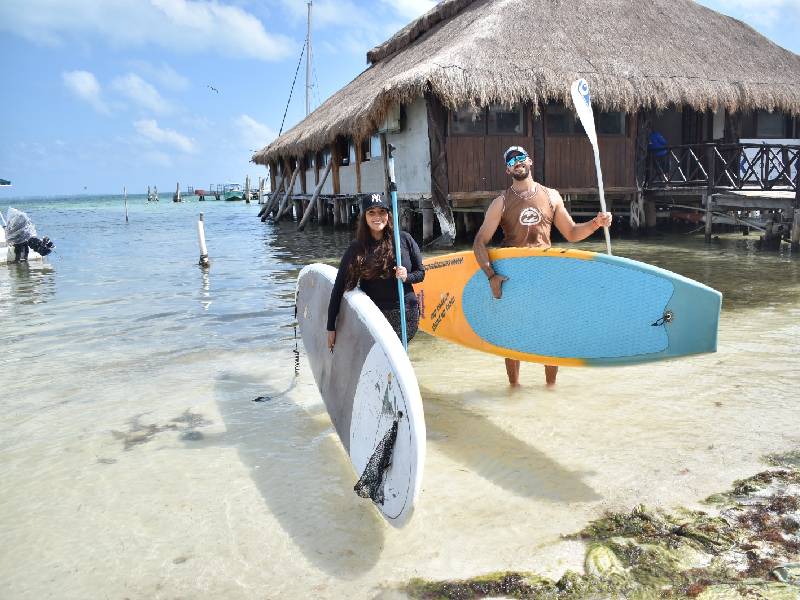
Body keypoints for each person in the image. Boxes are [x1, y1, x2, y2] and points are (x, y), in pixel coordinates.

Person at [472, 145, 612, 387]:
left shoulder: (551, 196)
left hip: (547, 274)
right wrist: (491, 275)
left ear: (530, 161)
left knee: (551, 333)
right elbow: (479, 242)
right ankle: (514, 388)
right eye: (511, 160)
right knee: (513, 336)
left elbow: (571, 233)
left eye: (520, 157)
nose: (517, 162)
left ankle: (550, 388)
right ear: (507, 169)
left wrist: (595, 223)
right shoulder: (501, 202)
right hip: (513, 277)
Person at [327, 193, 425, 350]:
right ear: (364, 216)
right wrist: (330, 326)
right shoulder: (357, 248)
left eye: (382, 212)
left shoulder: (403, 240)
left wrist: (407, 276)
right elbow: (339, 287)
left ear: (388, 215)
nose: (377, 217)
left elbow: (421, 273)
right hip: (374, 315)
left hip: (406, 311)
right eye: (371, 212)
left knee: (396, 356)